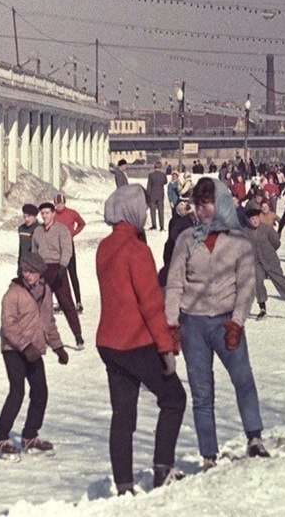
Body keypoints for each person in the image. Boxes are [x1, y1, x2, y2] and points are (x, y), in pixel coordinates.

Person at [165, 177, 270, 467]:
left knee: (243, 379)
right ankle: (208, 454)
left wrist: (237, 322)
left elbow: (246, 285)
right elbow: (174, 283)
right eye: (197, 205)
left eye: (207, 204)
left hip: (226, 322)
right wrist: (172, 324)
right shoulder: (186, 239)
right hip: (193, 325)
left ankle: (254, 437)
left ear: (220, 203)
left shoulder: (239, 241)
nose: (201, 211)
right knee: (201, 391)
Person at [96, 184, 187, 493]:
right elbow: (149, 304)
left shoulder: (104, 247)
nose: (147, 213)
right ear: (132, 210)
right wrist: (166, 349)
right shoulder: (137, 250)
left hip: (108, 343)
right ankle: (163, 469)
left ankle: (123, 485)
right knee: (174, 398)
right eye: (143, 208)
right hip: (136, 341)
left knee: (123, 414)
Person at [0, 252, 69, 459]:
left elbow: (48, 322)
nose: (28, 275)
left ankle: (29, 435)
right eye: (25, 271)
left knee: (40, 391)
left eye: (32, 272)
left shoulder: (45, 291)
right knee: (17, 391)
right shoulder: (12, 294)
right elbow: (8, 326)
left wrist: (58, 347)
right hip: (14, 350)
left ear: (40, 273)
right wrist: (25, 347)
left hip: (33, 350)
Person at [31, 202, 84, 350]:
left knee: (67, 303)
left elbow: (67, 250)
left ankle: (78, 337)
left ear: (53, 214)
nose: (45, 215)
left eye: (48, 213)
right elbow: (34, 252)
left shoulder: (62, 229)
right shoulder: (37, 232)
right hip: (43, 270)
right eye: (43, 213)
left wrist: (62, 267)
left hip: (57, 269)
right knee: (40, 304)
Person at [244, 208, 285, 319]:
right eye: (252, 219)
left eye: (257, 218)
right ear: (248, 220)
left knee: (281, 282)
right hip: (256, 262)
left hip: (270, 260)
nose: (255, 221)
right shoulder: (244, 232)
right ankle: (262, 308)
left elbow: (276, 243)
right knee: (257, 281)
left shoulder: (267, 229)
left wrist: (269, 252)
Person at [53, 194, 87, 314]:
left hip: (69, 247)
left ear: (64, 203)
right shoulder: (53, 214)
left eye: (61, 203)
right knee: (59, 276)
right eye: (57, 204)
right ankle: (62, 303)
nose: (59, 206)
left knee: (72, 274)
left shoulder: (72, 213)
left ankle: (78, 303)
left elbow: (82, 223)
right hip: (57, 249)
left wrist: (73, 233)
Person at [17, 204, 40, 274]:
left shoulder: (40, 229)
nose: (26, 219)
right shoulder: (21, 229)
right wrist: (19, 265)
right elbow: (21, 247)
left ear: (35, 216)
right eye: (24, 216)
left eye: (29, 216)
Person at [146, 162, 168, 231]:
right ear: (160, 167)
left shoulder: (151, 175)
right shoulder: (163, 175)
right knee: (161, 211)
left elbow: (149, 186)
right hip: (160, 195)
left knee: (153, 211)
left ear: (154, 167)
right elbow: (165, 182)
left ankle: (154, 225)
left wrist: (148, 195)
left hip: (152, 195)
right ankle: (161, 226)